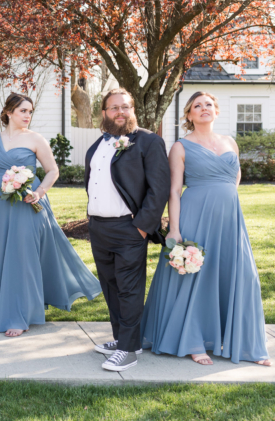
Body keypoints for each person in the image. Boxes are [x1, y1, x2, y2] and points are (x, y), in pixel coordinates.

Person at [140, 91, 271, 366]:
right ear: (189, 115)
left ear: (217, 110)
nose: (203, 109)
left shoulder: (229, 141)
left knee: (241, 275)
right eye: (197, 106)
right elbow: (174, 190)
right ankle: (193, 341)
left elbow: (235, 175)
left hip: (230, 220)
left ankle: (244, 343)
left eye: (208, 105)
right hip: (195, 215)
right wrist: (173, 229)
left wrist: (226, 197)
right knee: (196, 276)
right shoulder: (181, 146)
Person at [0, 93, 102, 337]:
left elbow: (52, 170)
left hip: (28, 205)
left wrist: (40, 192)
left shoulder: (36, 139)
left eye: (30, 111)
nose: (27, 116)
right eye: (23, 111)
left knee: (22, 259)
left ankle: (18, 315)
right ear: (9, 112)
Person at [85, 88, 170, 372]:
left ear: (132, 110)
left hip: (129, 229)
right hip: (98, 228)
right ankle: (123, 338)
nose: (120, 112)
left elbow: (159, 190)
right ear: (104, 113)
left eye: (125, 107)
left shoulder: (148, 141)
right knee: (110, 287)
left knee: (129, 289)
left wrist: (142, 228)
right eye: (113, 108)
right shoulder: (97, 145)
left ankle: (129, 350)